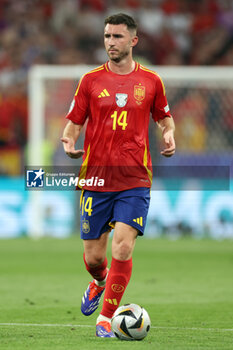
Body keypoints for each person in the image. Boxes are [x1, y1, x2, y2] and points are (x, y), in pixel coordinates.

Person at [61, 13, 175, 338]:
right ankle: (99, 281)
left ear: (133, 41)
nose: (111, 42)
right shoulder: (90, 80)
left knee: (122, 248)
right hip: (96, 180)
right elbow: (74, 120)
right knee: (94, 256)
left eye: (118, 37)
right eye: (108, 36)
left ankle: (106, 319)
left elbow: (165, 118)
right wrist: (69, 138)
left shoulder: (151, 81)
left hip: (135, 180)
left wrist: (169, 134)